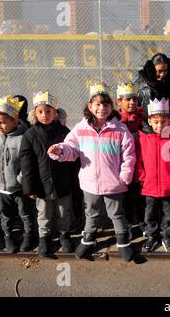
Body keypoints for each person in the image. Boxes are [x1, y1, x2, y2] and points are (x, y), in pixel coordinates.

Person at [48, 84, 136, 262]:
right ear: (90, 106)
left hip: (114, 183)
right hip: (90, 183)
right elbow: (71, 147)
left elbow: (129, 154)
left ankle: (123, 241)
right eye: (97, 104)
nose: (101, 108)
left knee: (116, 214)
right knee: (91, 213)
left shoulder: (120, 129)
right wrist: (60, 150)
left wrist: (125, 176)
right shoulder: (81, 129)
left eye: (105, 105)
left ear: (111, 107)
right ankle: (88, 240)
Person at [20, 91, 75, 257]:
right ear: (34, 114)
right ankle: (44, 238)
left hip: (62, 182)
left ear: (55, 113)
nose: (45, 115)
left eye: (49, 111)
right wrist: (29, 187)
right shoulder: (30, 135)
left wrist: (73, 181)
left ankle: (64, 234)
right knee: (43, 213)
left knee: (63, 211)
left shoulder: (65, 132)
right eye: (40, 111)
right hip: (41, 184)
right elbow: (26, 162)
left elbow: (73, 156)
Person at [0, 95, 35, 253]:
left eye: (2, 122)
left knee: (25, 214)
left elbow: (27, 163)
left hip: (18, 187)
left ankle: (29, 235)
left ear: (15, 121)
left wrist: (20, 179)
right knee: (5, 215)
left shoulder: (22, 138)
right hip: (1, 187)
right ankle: (8, 236)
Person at [137, 98, 170, 253]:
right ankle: (151, 236)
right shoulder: (143, 138)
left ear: (169, 121)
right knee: (150, 213)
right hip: (149, 185)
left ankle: (167, 236)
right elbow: (139, 161)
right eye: (156, 122)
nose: (160, 126)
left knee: (169, 214)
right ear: (149, 121)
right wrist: (142, 177)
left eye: (163, 122)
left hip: (169, 185)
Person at [116, 82, 146, 235]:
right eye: (127, 99)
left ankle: (143, 221)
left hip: (141, 165)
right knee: (126, 197)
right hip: (123, 165)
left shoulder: (142, 118)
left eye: (134, 99)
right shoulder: (114, 121)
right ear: (118, 102)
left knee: (141, 195)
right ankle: (127, 222)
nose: (132, 102)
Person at [135, 53, 170, 132]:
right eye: (159, 71)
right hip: (147, 134)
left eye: (165, 70)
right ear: (152, 69)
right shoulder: (141, 87)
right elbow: (136, 110)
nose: (162, 74)